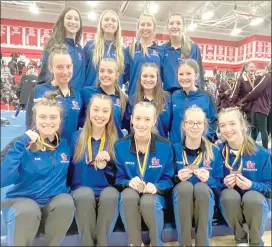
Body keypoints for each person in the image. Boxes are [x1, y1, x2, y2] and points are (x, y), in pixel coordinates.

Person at [1, 92, 74, 246]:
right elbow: (3, 179)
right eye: (42, 117)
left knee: (66, 202)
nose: (48, 121)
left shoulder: (66, 146)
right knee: (29, 209)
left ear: (60, 120)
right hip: (21, 206)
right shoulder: (21, 144)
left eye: (53, 117)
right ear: (35, 119)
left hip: (49, 208)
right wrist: (21, 145)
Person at [115, 101, 174, 246]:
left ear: (154, 121)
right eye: (138, 118)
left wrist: (157, 187)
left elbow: (170, 179)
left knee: (149, 201)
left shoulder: (165, 146)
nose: (142, 123)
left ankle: (157, 243)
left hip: (155, 197)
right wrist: (128, 183)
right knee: (127, 195)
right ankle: (135, 243)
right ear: (132, 119)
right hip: (131, 194)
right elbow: (117, 178)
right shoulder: (120, 146)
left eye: (147, 119)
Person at [68, 94, 119, 246]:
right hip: (81, 189)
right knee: (84, 194)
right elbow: (69, 169)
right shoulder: (76, 137)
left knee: (111, 194)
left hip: (106, 188)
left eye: (105, 111)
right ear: (89, 112)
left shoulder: (117, 138)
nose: (100, 115)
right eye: (96, 110)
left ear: (110, 115)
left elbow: (121, 172)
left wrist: (110, 162)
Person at [218, 107, 271, 246]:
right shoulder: (217, 152)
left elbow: (270, 188)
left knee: (252, 197)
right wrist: (223, 184)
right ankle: (240, 238)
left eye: (232, 123)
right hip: (230, 202)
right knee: (228, 194)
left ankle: (255, 241)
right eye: (222, 125)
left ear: (242, 125)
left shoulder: (261, 154)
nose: (227, 129)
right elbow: (213, 184)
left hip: (257, 201)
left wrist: (252, 185)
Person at [172, 106, 223, 247]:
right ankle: (185, 244)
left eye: (199, 123)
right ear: (183, 125)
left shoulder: (214, 151)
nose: (194, 127)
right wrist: (177, 179)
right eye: (190, 123)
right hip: (181, 205)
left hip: (205, 205)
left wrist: (209, 180)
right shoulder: (174, 149)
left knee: (202, 187)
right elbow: (167, 181)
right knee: (184, 187)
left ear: (204, 126)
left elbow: (220, 187)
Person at [26, 44, 82, 143]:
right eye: (60, 67)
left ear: (72, 67)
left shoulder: (77, 95)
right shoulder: (39, 91)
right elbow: (30, 124)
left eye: (68, 67)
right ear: (51, 68)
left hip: (68, 153)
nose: (65, 72)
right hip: (43, 151)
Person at [169, 59, 217, 144]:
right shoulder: (174, 96)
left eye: (188, 74)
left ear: (196, 75)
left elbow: (213, 121)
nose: (184, 77)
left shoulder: (206, 96)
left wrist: (205, 139)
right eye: (181, 74)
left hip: (198, 147)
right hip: (176, 147)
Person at [38, 7, 85, 90]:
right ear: (62, 21)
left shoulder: (80, 50)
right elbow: (44, 78)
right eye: (69, 18)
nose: (73, 21)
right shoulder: (53, 46)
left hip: (77, 99)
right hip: (57, 97)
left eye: (76, 19)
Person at [81, 58, 127, 138]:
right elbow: (79, 120)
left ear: (117, 75)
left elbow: (126, 125)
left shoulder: (123, 99)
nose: (105, 74)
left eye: (110, 72)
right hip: (91, 144)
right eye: (102, 71)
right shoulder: (86, 93)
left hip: (114, 144)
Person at [124, 63, 171, 138]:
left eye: (152, 76)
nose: (148, 79)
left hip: (161, 145)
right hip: (136, 145)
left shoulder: (167, 99)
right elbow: (127, 126)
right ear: (140, 78)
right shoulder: (132, 100)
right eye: (145, 76)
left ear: (158, 78)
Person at [161, 13, 204, 93]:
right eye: (171, 23)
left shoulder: (193, 48)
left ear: (183, 27)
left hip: (188, 94)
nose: (174, 26)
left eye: (178, 23)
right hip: (168, 96)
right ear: (168, 27)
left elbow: (199, 76)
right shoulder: (162, 49)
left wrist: (199, 95)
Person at [124, 13, 164, 96]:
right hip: (134, 99)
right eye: (142, 24)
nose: (145, 27)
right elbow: (122, 77)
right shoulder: (130, 50)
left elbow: (165, 78)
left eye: (149, 24)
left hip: (155, 100)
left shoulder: (161, 51)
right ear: (138, 28)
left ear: (154, 28)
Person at [84, 10, 125, 87]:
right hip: (92, 95)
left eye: (113, 20)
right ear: (101, 25)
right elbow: (82, 72)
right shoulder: (90, 46)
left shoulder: (123, 51)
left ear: (117, 26)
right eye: (106, 20)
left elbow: (125, 76)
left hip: (114, 96)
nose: (110, 22)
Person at [241, 62, 271, 149]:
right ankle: (253, 147)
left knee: (260, 129)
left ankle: (262, 149)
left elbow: (256, 91)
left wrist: (244, 100)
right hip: (263, 106)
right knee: (257, 129)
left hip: (259, 106)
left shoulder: (267, 77)